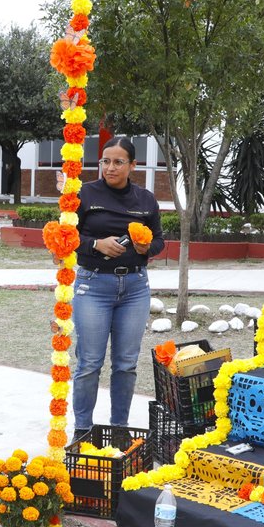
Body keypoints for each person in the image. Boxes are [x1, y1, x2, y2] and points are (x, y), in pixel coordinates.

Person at [73, 137, 165, 435]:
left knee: (125, 364)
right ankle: (82, 430)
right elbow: (67, 237)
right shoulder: (84, 194)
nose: (109, 168)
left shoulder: (146, 199)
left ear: (132, 166)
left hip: (135, 289)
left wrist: (145, 248)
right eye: (105, 161)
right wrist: (96, 244)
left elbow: (160, 241)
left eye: (117, 162)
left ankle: (120, 428)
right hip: (93, 285)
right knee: (89, 363)